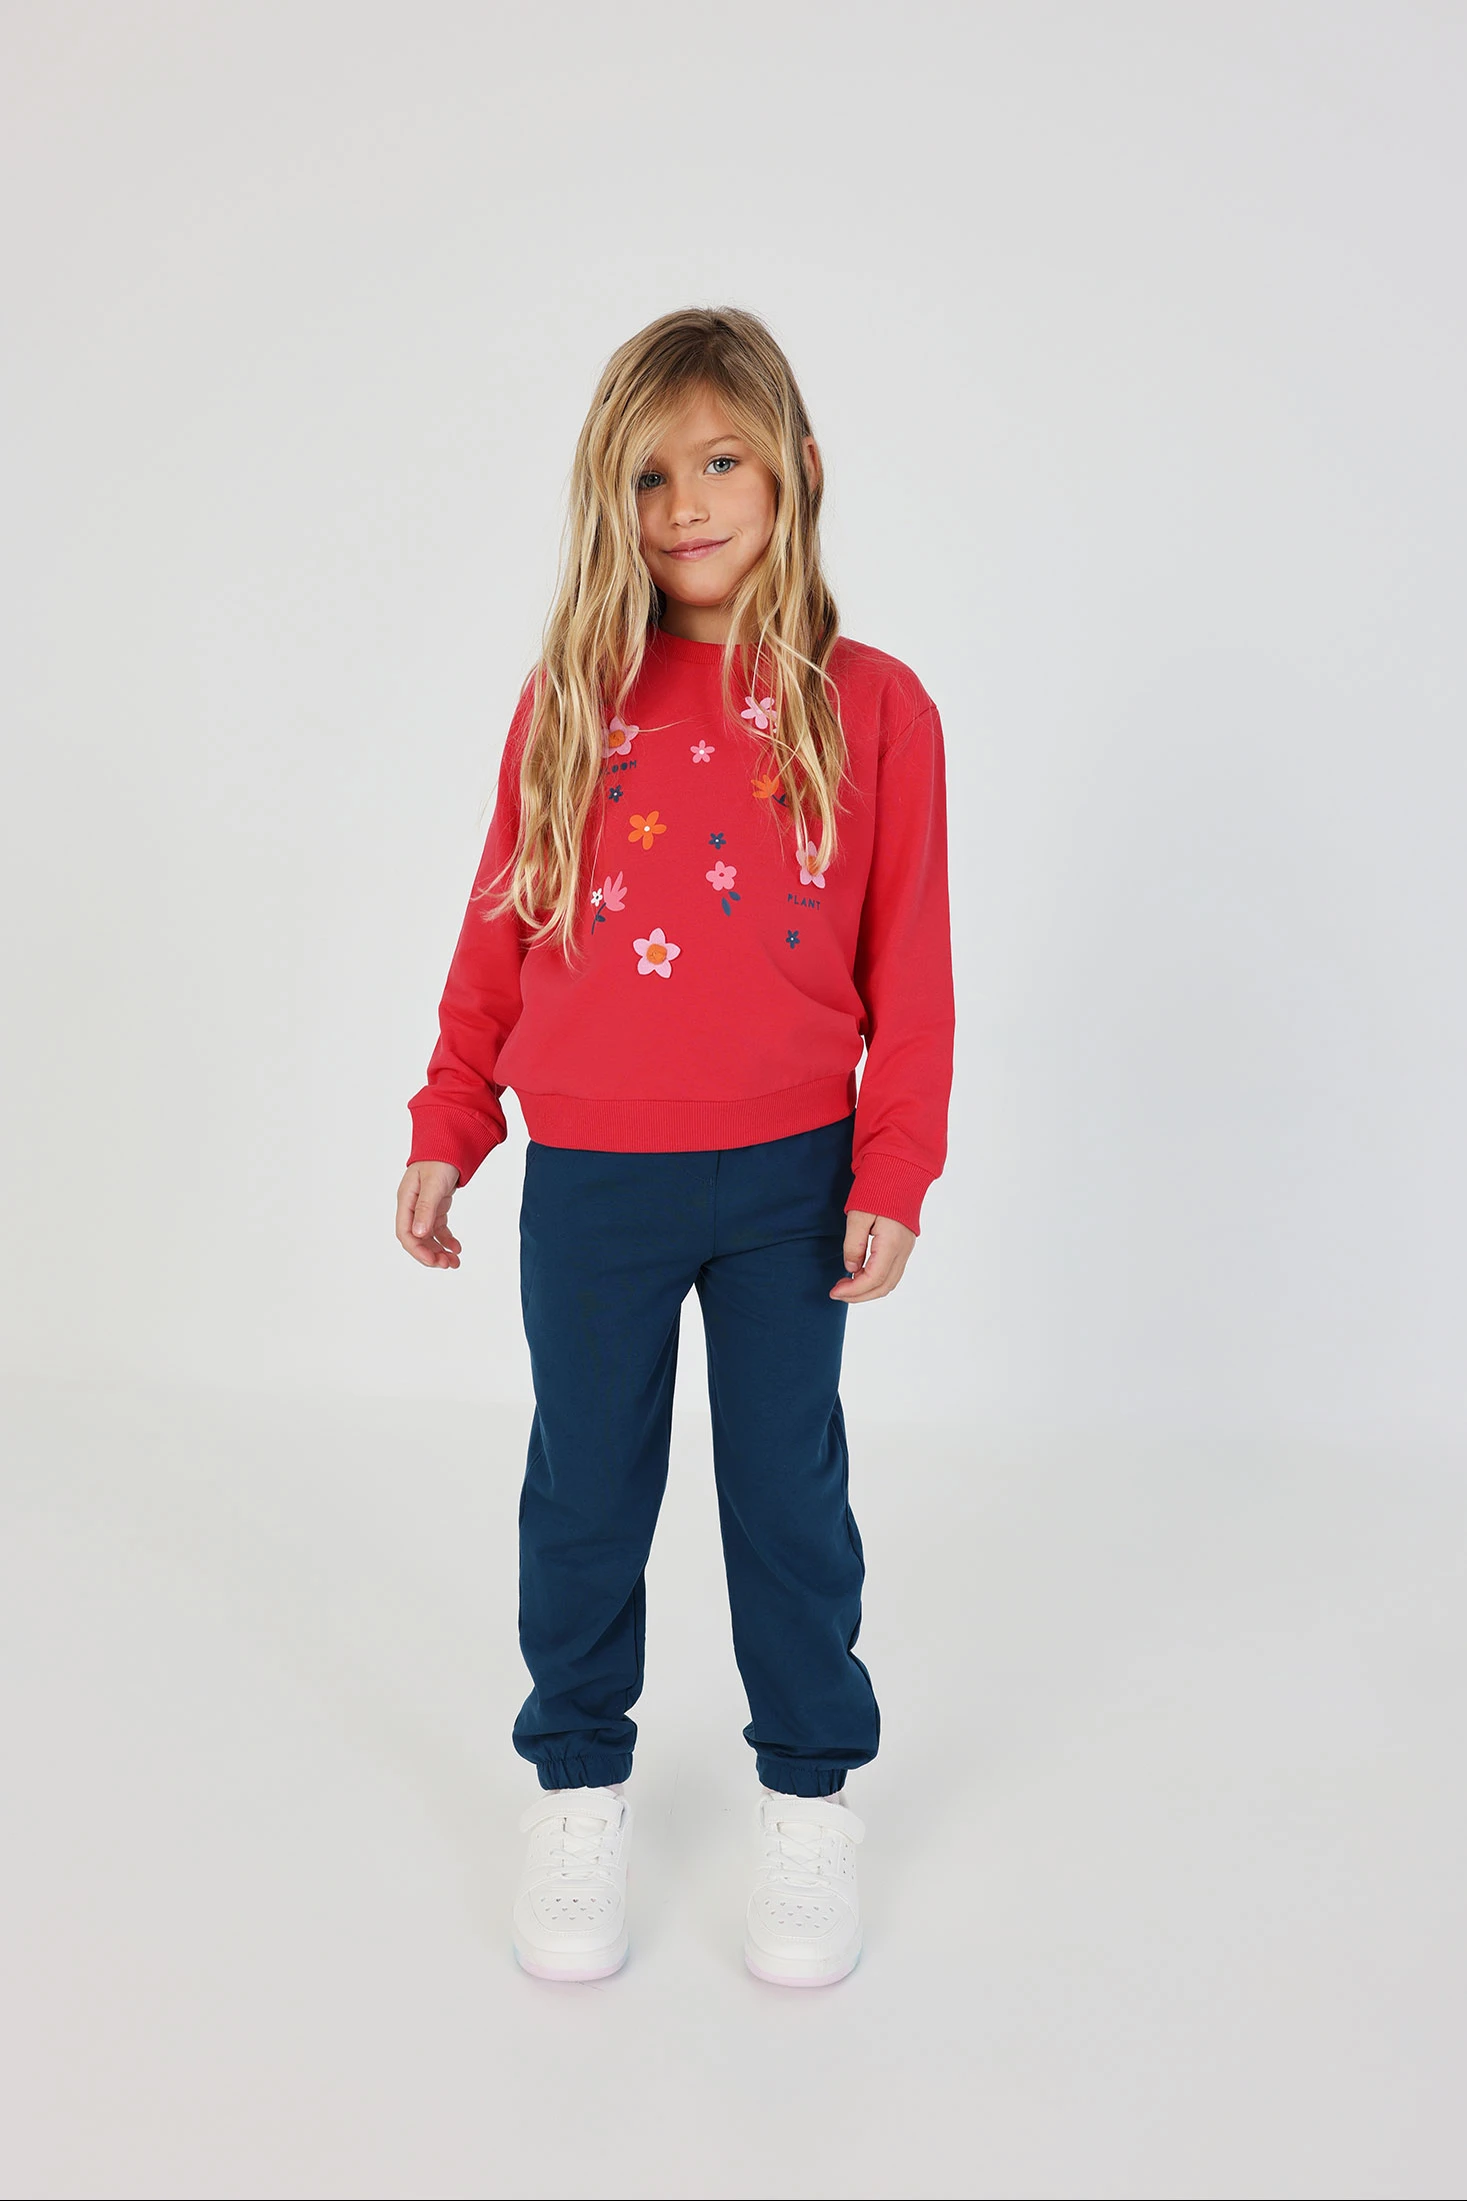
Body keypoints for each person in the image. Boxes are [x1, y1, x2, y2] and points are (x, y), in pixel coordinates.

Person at [395, 306, 955, 1988]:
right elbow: (499, 926)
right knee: (586, 1493)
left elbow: (912, 968)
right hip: (591, 1186)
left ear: (795, 473)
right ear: (608, 500)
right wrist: (450, 1117)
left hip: (790, 1184)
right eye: (648, 475)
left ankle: (808, 1800)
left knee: (786, 1496)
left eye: (720, 461)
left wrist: (892, 1170)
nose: (686, 503)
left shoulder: (875, 709)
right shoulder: (571, 699)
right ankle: (576, 1787)